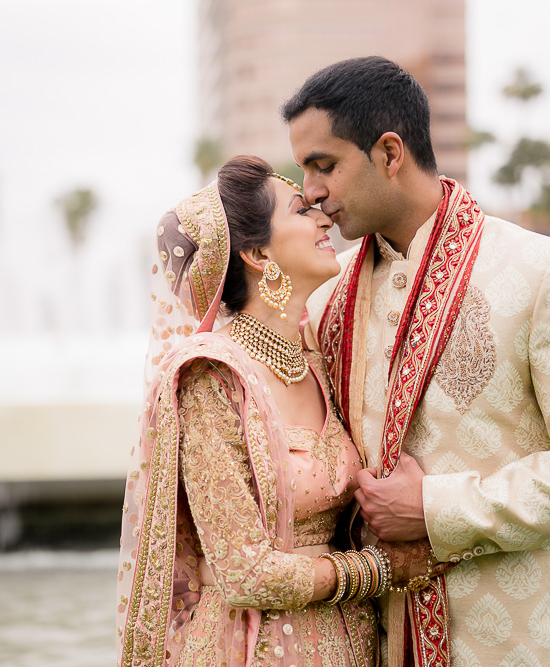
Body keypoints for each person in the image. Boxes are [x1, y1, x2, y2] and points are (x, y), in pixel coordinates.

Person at [282, 56, 550, 667]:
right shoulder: (325, 301)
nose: (311, 192)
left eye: (325, 165)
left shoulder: (542, 274)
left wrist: (435, 508)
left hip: (500, 650)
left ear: (390, 153)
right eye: (305, 170)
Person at [117, 156, 452, 666]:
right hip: (251, 648)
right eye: (300, 210)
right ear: (256, 252)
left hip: (346, 643)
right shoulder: (212, 379)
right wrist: (379, 571)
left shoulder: (318, 358)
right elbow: (244, 571)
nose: (323, 218)